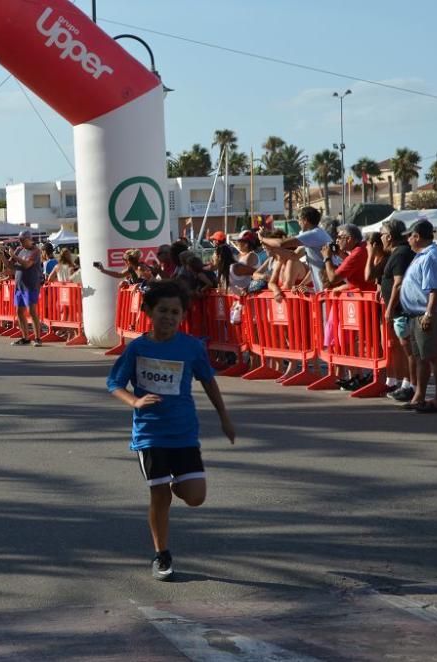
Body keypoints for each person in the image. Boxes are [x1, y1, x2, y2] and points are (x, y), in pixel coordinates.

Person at [106, 280, 235, 582]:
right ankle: (161, 554)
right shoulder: (138, 347)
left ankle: (174, 484)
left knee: (195, 497)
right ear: (149, 311)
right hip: (150, 434)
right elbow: (114, 384)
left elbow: (208, 381)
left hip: (184, 433)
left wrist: (224, 416)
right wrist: (135, 401)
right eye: (162, 310)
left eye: (175, 312)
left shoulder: (191, 347)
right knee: (159, 495)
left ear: (182, 316)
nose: (169, 317)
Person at [398, 219, 437, 413]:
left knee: (434, 356)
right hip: (417, 314)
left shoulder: (431, 257)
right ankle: (419, 396)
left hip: (428, 313)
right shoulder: (422, 255)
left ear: (417, 236)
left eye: (409, 236)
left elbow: (435, 289)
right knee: (421, 357)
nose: (408, 240)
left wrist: (429, 313)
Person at [377, 220, 416, 402]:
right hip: (400, 310)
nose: (380, 239)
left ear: (389, 236)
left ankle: (411, 386)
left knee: (408, 349)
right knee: (403, 349)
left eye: (382, 234)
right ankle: (406, 385)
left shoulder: (400, 254)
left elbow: (398, 283)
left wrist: (390, 307)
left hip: (402, 310)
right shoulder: (396, 253)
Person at [261, 207, 331, 292]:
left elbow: (281, 243)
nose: (298, 222)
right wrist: (301, 285)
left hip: (329, 287)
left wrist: (262, 239)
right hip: (324, 289)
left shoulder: (313, 234)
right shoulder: (314, 235)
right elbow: (294, 256)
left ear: (304, 220)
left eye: (298, 219)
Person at [10, 230, 44, 346]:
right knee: (19, 312)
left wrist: (14, 256)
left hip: (30, 285)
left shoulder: (35, 251)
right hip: (19, 285)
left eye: (22, 240)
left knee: (32, 311)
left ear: (29, 239)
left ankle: (37, 338)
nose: (20, 242)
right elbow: (10, 266)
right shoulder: (19, 250)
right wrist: (2, 256)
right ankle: (25, 337)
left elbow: (27, 264)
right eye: (19, 240)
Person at [323, 224, 372, 291]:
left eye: (339, 237)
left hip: (365, 295)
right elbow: (355, 263)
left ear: (348, 239)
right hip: (366, 292)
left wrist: (327, 258)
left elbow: (333, 278)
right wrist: (340, 253)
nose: (336, 240)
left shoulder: (357, 253)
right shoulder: (363, 246)